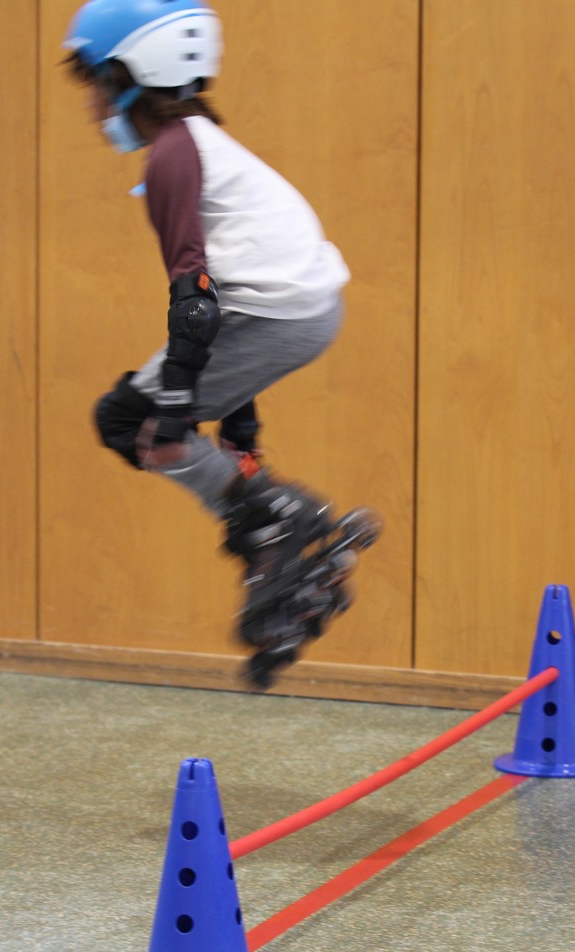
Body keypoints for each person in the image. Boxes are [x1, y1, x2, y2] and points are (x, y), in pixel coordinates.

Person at [62, 0, 365, 658]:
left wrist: (176, 403)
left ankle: (281, 520)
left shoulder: (173, 157)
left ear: (127, 77)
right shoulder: (199, 142)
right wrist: (237, 428)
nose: (91, 106)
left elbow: (195, 295)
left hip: (277, 316)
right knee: (149, 426)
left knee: (133, 425)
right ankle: (273, 540)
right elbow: (226, 288)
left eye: (96, 85)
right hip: (297, 312)